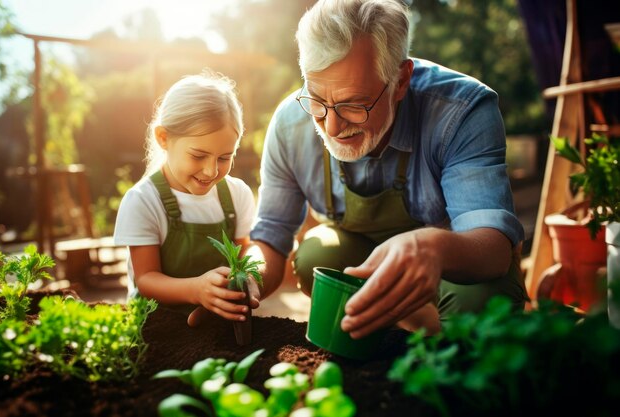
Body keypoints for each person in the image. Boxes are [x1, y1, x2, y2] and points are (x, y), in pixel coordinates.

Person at [248, 0, 527, 338]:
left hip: (454, 258)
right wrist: (244, 281)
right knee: (315, 256)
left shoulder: (462, 111)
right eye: (318, 101)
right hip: (364, 255)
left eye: (354, 105)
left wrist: (434, 247)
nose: (332, 127)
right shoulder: (289, 125)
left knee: (482, 300)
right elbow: (272, 235)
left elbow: (494, 246)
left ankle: (437, 337)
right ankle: (394, 333)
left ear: (400, 81)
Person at [114, 71, 258, 325]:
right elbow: (146, 279)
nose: (211, 171)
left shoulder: (237, 195)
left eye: (224, 157)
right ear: (164, 138)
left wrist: (251, 275)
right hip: (155, 329)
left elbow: (244, 250)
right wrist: (197, 290)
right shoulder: (143, 201)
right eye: (198, 155)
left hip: (217, 326)